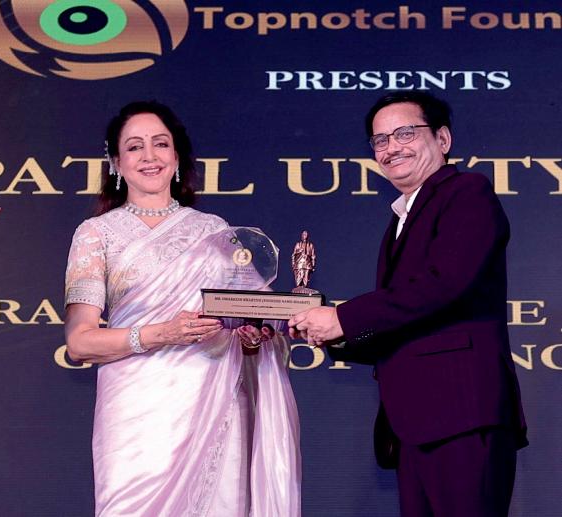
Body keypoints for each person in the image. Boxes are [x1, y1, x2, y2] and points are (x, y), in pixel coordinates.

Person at [289, 91, 527, 517]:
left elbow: (444, 285)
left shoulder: (466, 192)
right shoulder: (401, 218)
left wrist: (342, 318)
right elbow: (408, 322)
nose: (391, 148)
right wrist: (332, 335)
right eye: (380, 140)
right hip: (417, 423)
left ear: (443, 139)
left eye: (405, 133)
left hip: (462, 414)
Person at [64, 101, 301, 516]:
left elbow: (248, 316)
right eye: (134, 147)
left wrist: (252, 337)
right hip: (134, 412)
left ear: (176, 157)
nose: (149, 156)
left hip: (212, 399)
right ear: (116, 163)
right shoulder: (95, 234)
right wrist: (162, 333)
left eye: (160, 144)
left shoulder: (213, 231)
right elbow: (80, 342)